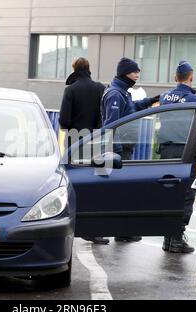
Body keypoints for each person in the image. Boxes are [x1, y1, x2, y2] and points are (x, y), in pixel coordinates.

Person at [159, 61, 196, 253]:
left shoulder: (165, 97)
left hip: (165, 153)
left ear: (175, 78)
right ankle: (176, 238)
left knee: (167, 193)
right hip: (185, 154)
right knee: (184, 195)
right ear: (191, 78)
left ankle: (168, 238)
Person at [101, 57, 159, 242]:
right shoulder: (115, 94)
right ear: (125, 72)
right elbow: (111, 125)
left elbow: (133, 109)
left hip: (124, 149)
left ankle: (122, 230)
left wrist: (152, 101)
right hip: (120, 151)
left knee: (122, 192)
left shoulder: (123, 93)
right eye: (135, 71)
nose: (138, 74)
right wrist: (117, 151)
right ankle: (122, 231)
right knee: (121, 193)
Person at [59, 57, 109, 245]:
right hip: (94, 141)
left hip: (73, 141)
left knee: (71, 185)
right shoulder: (100, 88)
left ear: (74, 68)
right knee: (93, 185)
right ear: (89, 68)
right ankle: (93, 230)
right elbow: (102, 117)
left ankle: (67, 226)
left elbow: (63, 120)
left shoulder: (70, 90)